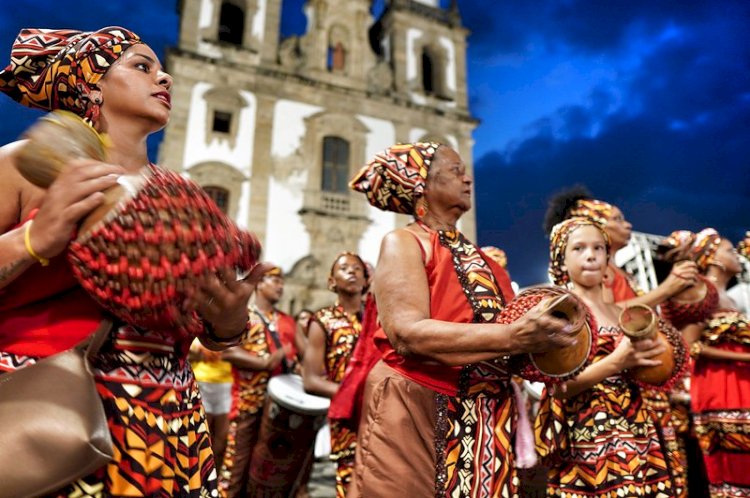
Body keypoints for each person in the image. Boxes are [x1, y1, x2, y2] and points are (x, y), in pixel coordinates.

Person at [0, 27, 266, 496]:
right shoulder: (24, 164)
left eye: (160, 69)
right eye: (141, 66)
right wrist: (34, 240)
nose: (163, 77)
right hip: (52, 410)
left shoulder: (180, 190)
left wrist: (228, 322)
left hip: (171, 425)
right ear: (93, 83)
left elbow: (214, 329)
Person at [347, 142, 576, 497]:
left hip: (487, 416)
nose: (468, 179)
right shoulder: (404, 242)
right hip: (416, 409)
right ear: (421, 183)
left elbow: (509, 338)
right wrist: (516, 337)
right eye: (455, 171)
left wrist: (549, 345)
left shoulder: (487, 263)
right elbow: (407, 334)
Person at [543, 186, 697, 495]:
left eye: (599, 249)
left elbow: (648, 364)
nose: (591, 255)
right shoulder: (560, 313)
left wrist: (655, 358)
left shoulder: (619, 311)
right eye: (579, 249)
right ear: (560, 259)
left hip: (639, 427)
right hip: (590, 433)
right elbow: (556, 388)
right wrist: (617, 362)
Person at [218, 265, 298, 497]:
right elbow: (228, 352)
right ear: (259, 284)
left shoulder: (287, 321)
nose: (280, 286)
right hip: (247, 404)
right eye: (274, 280)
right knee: (236, 467)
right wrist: (263, 363)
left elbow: (301, 353)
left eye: (282, 282)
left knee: (265, 469)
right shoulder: (244, 316)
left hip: (277, 410)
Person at [682, 228, 750, 497]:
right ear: (713, 258)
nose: (736, 256)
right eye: (729, 250)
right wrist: (743, 357)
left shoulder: (731, 298)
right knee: (733, 469)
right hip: (718, 387)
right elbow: (691, 346)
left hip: (740, 384)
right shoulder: (700, 291)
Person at [302, 252, 369, 498]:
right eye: (344, 268)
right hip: (347, 417)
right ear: (332, 282)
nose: (352, 272)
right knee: (350, 481)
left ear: (366, 280)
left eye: (358, 269)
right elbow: (310, 380)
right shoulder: (323, 321)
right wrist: (355, 395)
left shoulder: (379, 318)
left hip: (380, 413)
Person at [189, 339, 234, 465]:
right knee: (201, 435)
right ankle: (198, 474)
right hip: (202, 383)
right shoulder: (199, 325)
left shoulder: (233, 324)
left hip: (226, 386)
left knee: (221, 438)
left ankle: (212, 474)